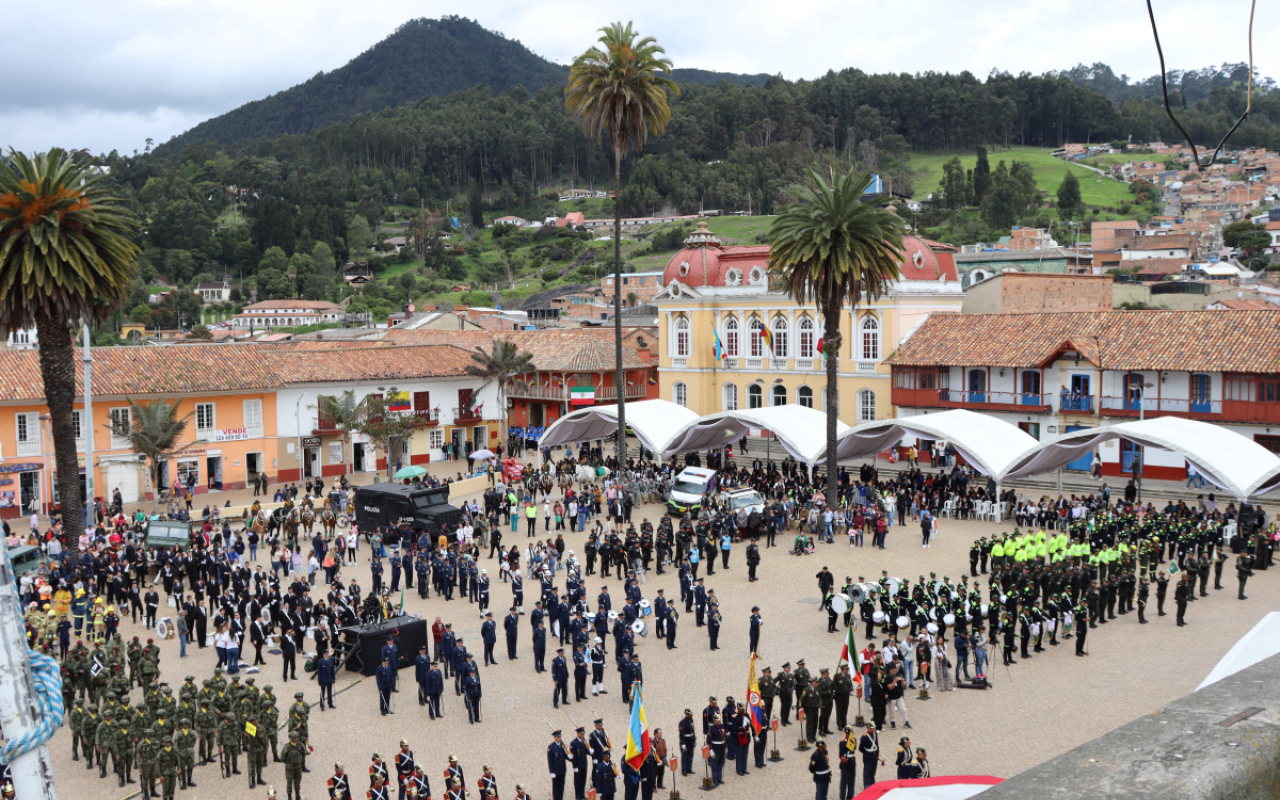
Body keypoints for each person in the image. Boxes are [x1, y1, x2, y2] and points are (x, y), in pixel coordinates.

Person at [547, 730, 569, 800]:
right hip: (556, 771)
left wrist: (570, 757)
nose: (560, 738)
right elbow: (550, 760)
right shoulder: (551, 747)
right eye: (558, 737)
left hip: (562, 770)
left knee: (561, 786)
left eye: (560, 737)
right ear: (555, 737)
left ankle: (560, 798)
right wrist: (552, 771)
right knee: (556, 787)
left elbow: (564, 756)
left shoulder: (562, 746)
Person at [837, 727, 858, 800]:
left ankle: (850, 796)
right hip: (845, 764)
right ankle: (842, 797)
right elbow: (840, 754)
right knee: (844, 783)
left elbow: (854, 749)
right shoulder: (842, 742)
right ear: (847, 733)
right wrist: (843, 759)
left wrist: (850, 740)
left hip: (852, 762)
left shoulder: (854, 739)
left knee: (852, 781)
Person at [859, 722, 881, 790]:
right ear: (868, 728)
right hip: (868, 756)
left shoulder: (875, 734)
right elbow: (861, 748)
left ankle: (872, 784)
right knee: (867, 772)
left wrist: (877, 753)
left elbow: (877, 744)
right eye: (872, 728)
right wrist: (866, 753)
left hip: (874, 756)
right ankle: (867, 785)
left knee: (873, 771)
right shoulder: (864, 737)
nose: (874, 729)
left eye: (874, 728)